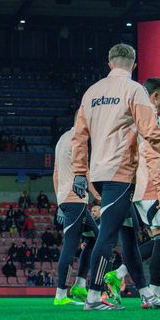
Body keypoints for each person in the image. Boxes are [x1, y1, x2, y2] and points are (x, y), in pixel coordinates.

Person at [71, 43, 160, 311]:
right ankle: (93, 297)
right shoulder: (134, 90)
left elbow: (79, 136)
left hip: (99, 173)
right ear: (134, 65)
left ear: (110, 63)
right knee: (108, 236)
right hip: (119, 174)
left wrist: (79, 171)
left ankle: (146, 295)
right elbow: (150, 132)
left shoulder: (91, 92)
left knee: (129, 236)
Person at [105, 77, 160, 308]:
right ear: (154, 96)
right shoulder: (151, 118)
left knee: (157, 238)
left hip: (140, 185)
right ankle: (153, 294)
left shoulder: (138, 116)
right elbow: (152, 155)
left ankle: (119, 274)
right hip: (151, 184)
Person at [52, 124, 100, 306]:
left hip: (67, 198)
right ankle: (60, 295)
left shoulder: (62, 139)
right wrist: (99, 196)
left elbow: (56, 173)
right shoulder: (79, 140)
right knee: (70, 246)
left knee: (95, 237)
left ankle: (79, 284)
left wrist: (59, 201)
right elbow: (85, 172)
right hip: (76, 199)